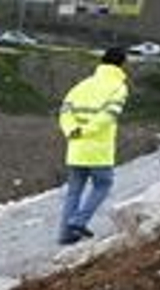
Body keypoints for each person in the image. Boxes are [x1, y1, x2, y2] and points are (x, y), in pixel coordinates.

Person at [57, 47, 130, 245]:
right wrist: (87, 130)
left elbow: (64, 112)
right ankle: (79, 221)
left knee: (74, 191)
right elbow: (108, 116)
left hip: (76, 147)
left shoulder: (81, 86)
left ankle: (65, 235)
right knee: (103, 184)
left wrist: (72, 130)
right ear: (122, 65)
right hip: (98, 150)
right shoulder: (118, 87)